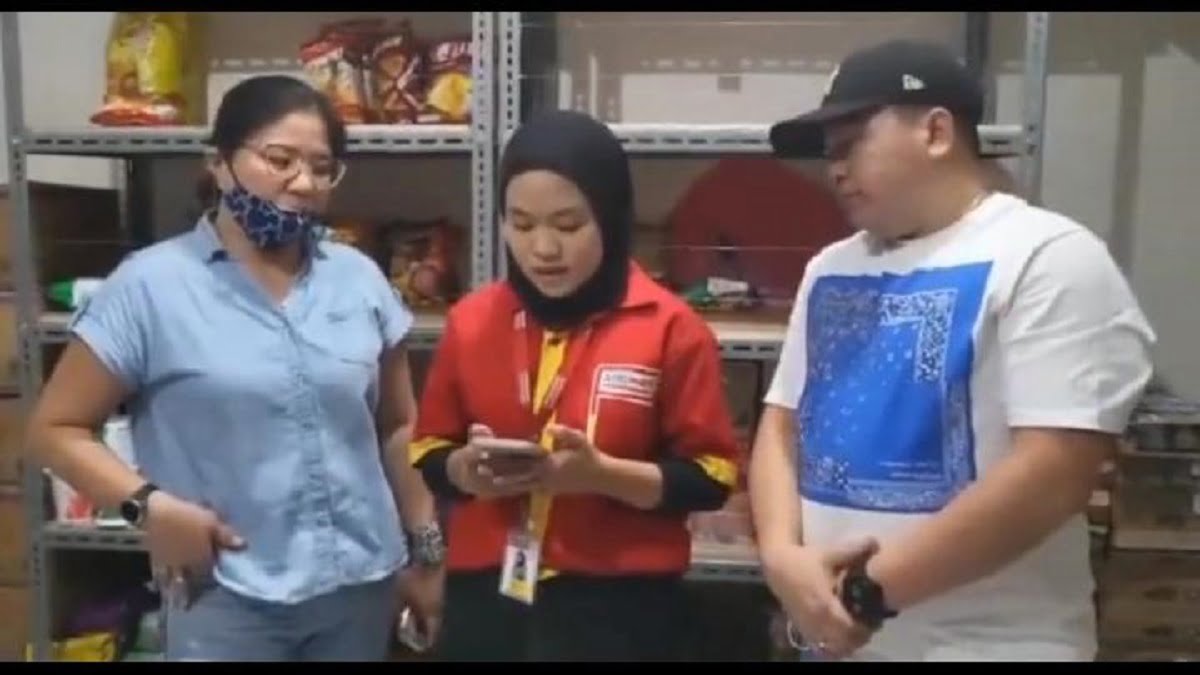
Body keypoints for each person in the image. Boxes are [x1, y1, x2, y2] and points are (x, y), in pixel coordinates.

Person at [751, 40, 1156, 662]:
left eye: (851, 143)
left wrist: (864, 595)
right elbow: (782, 426)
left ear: (936, 132)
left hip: (991, 646)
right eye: (828, 152)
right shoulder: (830, 267)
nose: (835, 169)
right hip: (837, 640)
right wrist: (782, 559)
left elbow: (1055, 473)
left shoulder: (1047, 257)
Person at [25, 75, 445, 662]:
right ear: (220, 164)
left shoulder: (358, 279)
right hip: (226, 596)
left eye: (322, 168)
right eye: (280, 160)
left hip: (359, 588)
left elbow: (397, 427)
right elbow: (54, 429)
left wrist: (426, 550)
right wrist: (149, 507)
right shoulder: (150, 286)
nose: (303, 183)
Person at [409, 110, 742, 661]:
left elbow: (711, 477)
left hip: (619, 601)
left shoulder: (670, 327)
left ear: (610, 219)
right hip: (488, 593)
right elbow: (428, 449)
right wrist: (465, 471)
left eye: (567, 226)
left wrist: (601, 475)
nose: (543, 249)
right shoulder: (472, 320)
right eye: (521, 225)